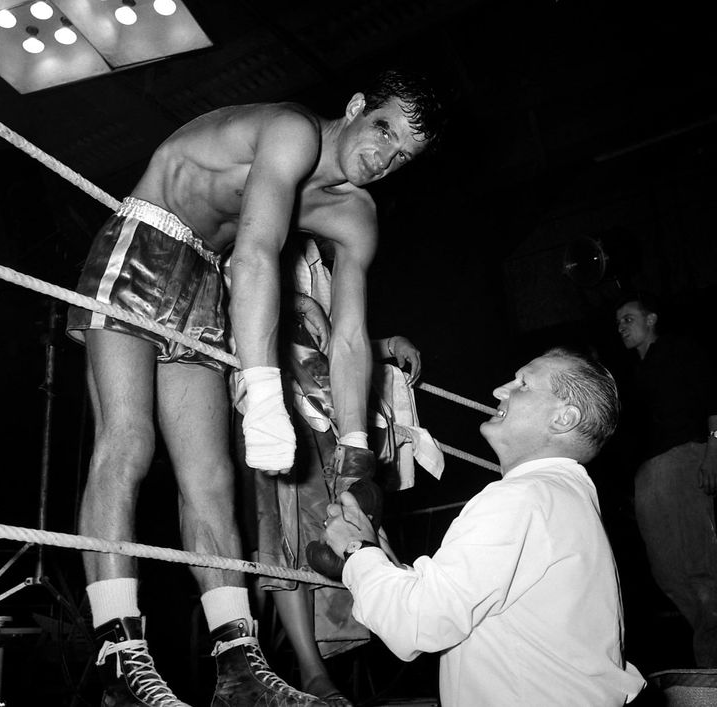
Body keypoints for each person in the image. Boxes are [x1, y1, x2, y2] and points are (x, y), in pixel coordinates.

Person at [65, 68, 444, 707]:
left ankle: (238, 664)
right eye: (383, 129)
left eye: (402, 153)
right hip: (148, 239)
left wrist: (355, 451)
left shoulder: (355, 213)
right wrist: (263, 390)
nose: (384, 156)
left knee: (211, 479)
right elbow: (258, 251)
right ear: (355, 106)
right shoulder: (292, 131)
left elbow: (350, 339)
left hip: (207, 278)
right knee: (128, 443)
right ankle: (120, 659)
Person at [323, 347, 646, 706]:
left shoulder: (523, 498)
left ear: (563, 418)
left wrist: (357, 551)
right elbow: (464, 606)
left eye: (523, 384)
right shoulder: (562, 498)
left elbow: (416, 623)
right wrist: (377, 555)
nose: (500, 390)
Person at [229, 232, 431, 707]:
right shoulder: (260, 225)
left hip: (324, 412)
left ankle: (392, 613)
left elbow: (335, 341)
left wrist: (386, 346)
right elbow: (232, 296)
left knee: (331, 525)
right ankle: (306, 667)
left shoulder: (326, 258)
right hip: (267, 401)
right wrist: (295, 300)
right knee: (280, 529)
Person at [615, 291, 717, 667]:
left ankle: (711, 662)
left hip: (683, 458)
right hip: (649, 474)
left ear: (651, 319)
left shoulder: (679, 351)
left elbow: (712, 398)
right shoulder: (633, 375)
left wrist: (713, 450)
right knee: (668, 572)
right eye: (618, 323)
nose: (621, 327)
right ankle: (707, 641)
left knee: (699, 564)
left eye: (628, 318)